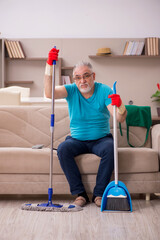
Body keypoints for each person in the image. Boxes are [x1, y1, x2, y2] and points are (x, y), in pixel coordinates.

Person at [44, 48, 127, 207]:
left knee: (111, 148)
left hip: (101, 140)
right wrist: (49, 65)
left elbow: (119, 118)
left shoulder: (104, 90)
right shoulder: (71, 90)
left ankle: (99, 194)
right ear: (74, 80)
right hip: (77, 140)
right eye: (78, 77)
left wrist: (120, 105)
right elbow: (49, 93)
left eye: (86, 76)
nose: (82, 81)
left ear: (93, 76)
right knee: (63, 149)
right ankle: (80, 194)